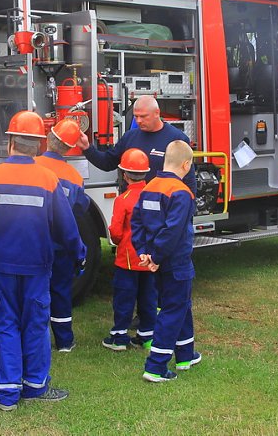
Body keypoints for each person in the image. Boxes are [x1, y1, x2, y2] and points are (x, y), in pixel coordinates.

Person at [0, 111, 85, 411]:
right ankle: (35, 386)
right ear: (38, 145)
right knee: (35, 323)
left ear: (10, 141)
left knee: (7, 323)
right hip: (38, 265)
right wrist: (79, 255)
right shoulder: (48, 179)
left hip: (2, 265)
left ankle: (8, 392)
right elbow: (67, 228)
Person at [132, 140, 201, 382]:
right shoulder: (181, 192)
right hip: (174, 261)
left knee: (181, 304)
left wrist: (144, 252)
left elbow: (137, 222)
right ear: (186, 164)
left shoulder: (150, 186)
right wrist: (158, 256)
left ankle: (186, 355)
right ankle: (156, 366)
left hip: (155, 259)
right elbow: (173, 230)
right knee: (174, 309)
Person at [34, 119, 90, 353]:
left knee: (35, 292)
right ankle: (65, 341)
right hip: (61, 246)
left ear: (48, 138)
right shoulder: (74, 176)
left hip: (34, 245)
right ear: (69, 148)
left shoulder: (32, 166)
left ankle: (37, 340)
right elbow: (81, 208)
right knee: (61, 292)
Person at [76, 95, 196, 197]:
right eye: (136, 116)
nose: (138, 121)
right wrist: (87, 148)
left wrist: (186, 213)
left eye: (143, 116)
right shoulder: (130, 137)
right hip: (133, 210)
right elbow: (107, 163)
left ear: (157, 113)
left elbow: (189, 181)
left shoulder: (176, 139)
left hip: (163, 211)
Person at [102, 148, 157, 352]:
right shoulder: (154, 197)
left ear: (124, 174)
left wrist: (118, 241)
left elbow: (116, 231)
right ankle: (147, 336)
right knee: (148, 299)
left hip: (127, 260)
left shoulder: (122, 200)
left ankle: (119, 337)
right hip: (150, 259)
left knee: (124, 299)